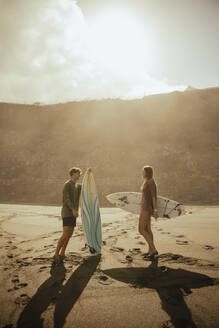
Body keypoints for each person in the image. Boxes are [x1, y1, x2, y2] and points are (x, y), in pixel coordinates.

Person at [53, 167, 82, 264]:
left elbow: (85, 188)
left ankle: (62, 253)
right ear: (73, 174)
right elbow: (66, 198)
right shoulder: (68, 184)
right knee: (65, 233)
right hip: (67, 212)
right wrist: (73, 209)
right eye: (78, 173)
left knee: (69, 234)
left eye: (80, 174)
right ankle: (56, 254)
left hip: (74, 213)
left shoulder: (77, 186)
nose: (79, 175)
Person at [138, 165, 158, 259]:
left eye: (143, 171)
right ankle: (150, 251)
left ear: (147, 172)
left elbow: (154, 197)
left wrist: (155, 210)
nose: (142, 172)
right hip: (144, 207)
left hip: (146, 209)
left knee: (141, 229)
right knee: (148, 229)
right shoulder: (146, 181)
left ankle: (153, 249)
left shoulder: (151, 182)